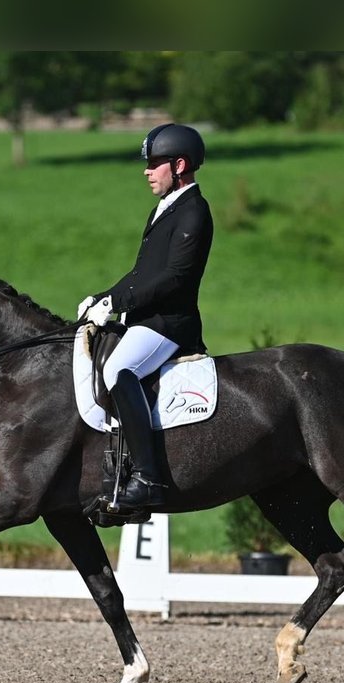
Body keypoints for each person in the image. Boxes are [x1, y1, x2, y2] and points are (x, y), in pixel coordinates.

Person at [77, 122, 214, 513]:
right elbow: (141, 274)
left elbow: (174, 278)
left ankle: (149, 479)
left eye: (155, 163)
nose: (147, 171)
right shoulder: (163, 208)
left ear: (180, 165)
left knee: (119, 370)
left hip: (170, 324)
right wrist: (104, 298)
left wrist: (117, 304)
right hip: (147, 319)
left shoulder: (195, 212)